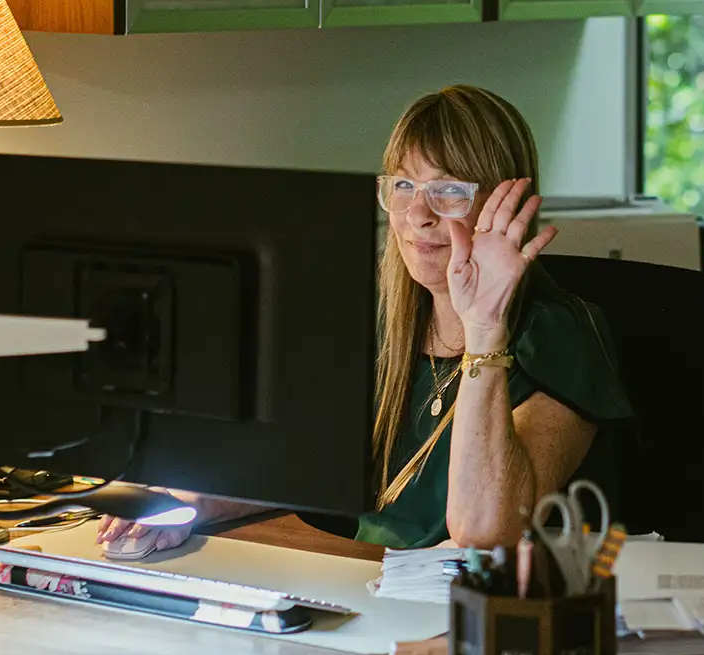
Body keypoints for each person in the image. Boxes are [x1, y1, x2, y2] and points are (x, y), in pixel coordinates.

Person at [97, 85, 632, 555]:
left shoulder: (561, 333)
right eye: (402, 186)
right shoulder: (383, 318)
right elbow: (300, 467)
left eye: (449, 191)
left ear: (502, 205)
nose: (417, 215)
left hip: (485, 618)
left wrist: (484, 326)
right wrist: (178, 507)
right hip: (367, 588)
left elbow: (482, 531)